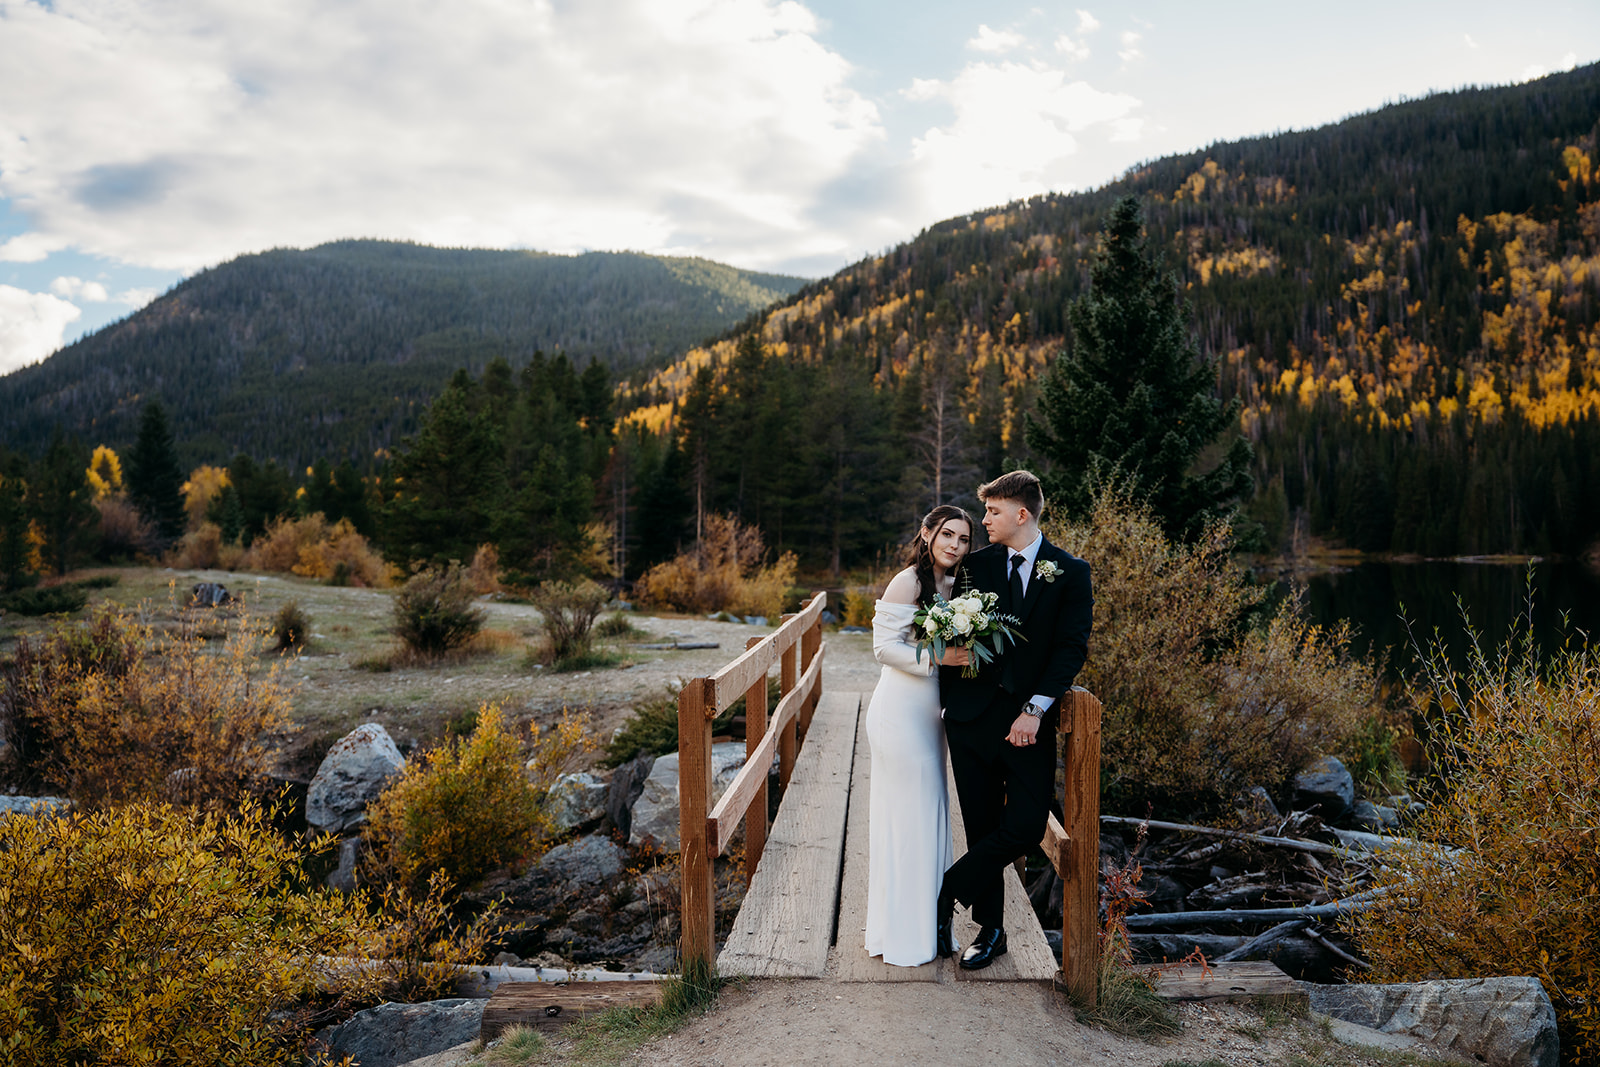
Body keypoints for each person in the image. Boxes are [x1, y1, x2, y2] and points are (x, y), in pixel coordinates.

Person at [937, 471, 1093, 970]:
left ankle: (948, 890)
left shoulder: (1070, 572)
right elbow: (947, 631)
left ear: (1021, 514)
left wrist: (1035, 708)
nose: (983, 521)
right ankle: (992, 930)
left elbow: (1070, 650)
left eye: (992, 512)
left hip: (1028, 725)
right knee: (983, 827)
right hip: (971, 719)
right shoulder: (974, 566)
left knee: (1025, 827)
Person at [864, 504, 974, 966]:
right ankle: (904, 936)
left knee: (930, 815)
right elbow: (883, 648)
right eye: (947, 534)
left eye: (964, 539)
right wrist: (938, 660)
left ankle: (930, 927)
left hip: (933, 716)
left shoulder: (960, 586)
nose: (955, 545)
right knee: (907, 819)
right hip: (900, 711)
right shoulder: (908, 581)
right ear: (927, 533)